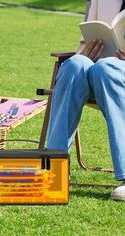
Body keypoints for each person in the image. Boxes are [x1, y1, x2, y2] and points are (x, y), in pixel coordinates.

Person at [46, 0, 125, 201]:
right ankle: (54, 167)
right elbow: (88, 38)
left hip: (112, 74)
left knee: (107, 69)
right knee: (74, 64)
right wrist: (85, 52)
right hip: (98, 68)